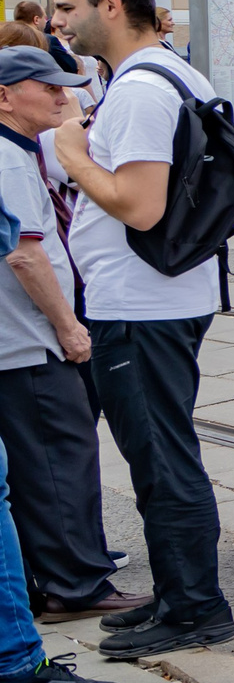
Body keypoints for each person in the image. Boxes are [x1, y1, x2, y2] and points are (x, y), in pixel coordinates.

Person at [46, 0, 234, 658]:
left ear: (112, 5)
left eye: (67, 7)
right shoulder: (169, 73)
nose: (58, 21)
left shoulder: (137, 92)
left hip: (140, 304)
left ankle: (195, 608)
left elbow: (140, 203)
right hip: (162, 295)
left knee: (160, 458)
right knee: (162, 452)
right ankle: (178, 590)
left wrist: (72, 152)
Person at [0, 46, 143, 622]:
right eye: (49, 87)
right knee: (62, 460)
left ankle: (51, 574)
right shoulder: (9, 160)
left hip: (19, 340)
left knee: (39, 463)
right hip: (28, 342)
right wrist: (69, 327)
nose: (64, 98)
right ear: (6, 96)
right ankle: (76, 584)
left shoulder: (18, 150)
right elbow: (25, 257)